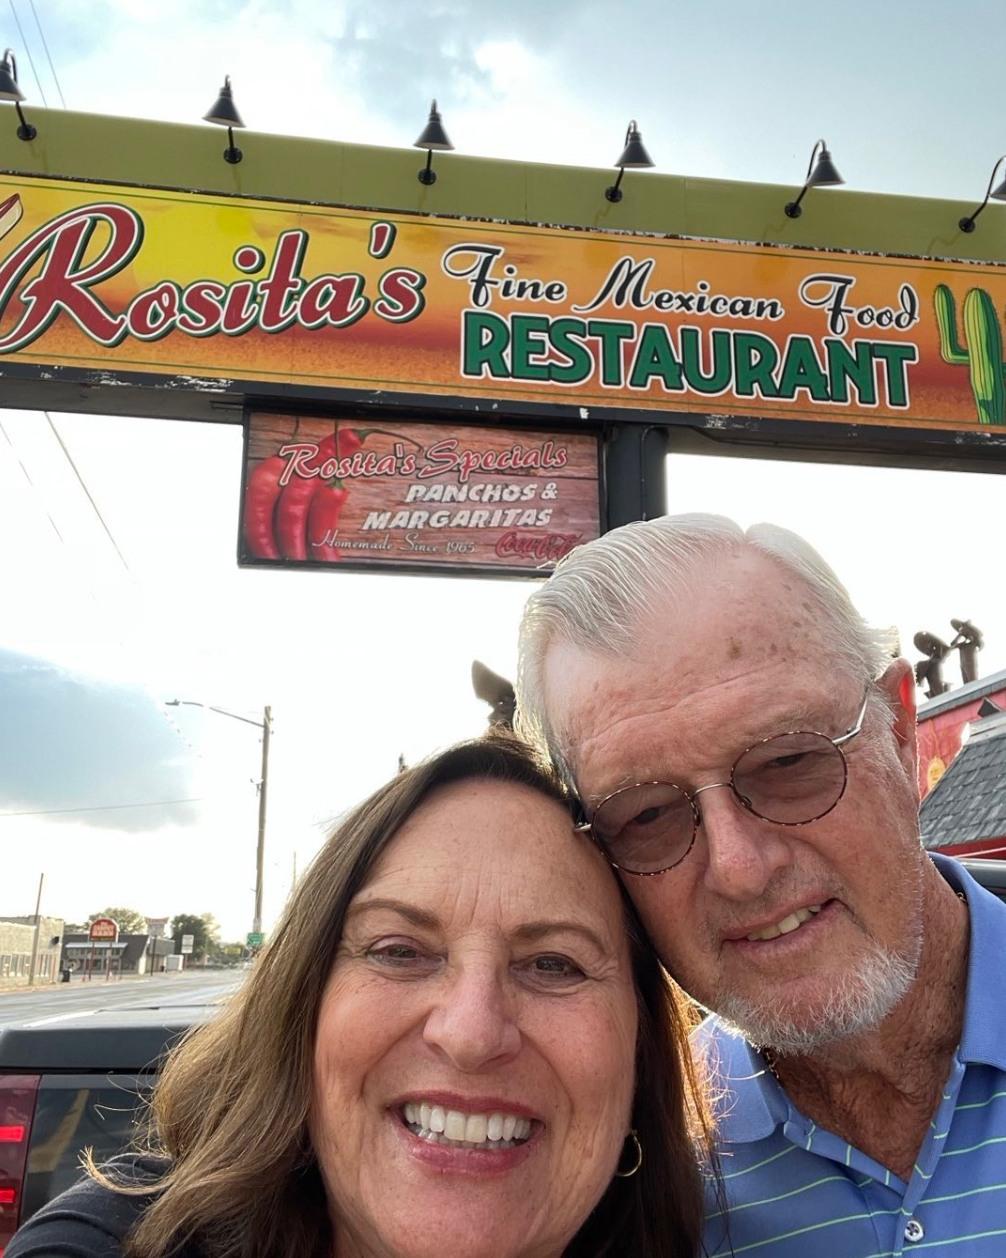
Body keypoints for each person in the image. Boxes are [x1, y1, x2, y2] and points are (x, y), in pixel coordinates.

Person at [8, 734, 710, 1258]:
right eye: (398, 952)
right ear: (303, 1006)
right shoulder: (111, 1244)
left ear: (642, 1046)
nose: (469, 1033)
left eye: (554, 964)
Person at [516, 512, 1006, 1257]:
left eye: (788, 764)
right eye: (648, 816)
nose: (741, 868)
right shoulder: (636, 1179)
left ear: (901, 733)